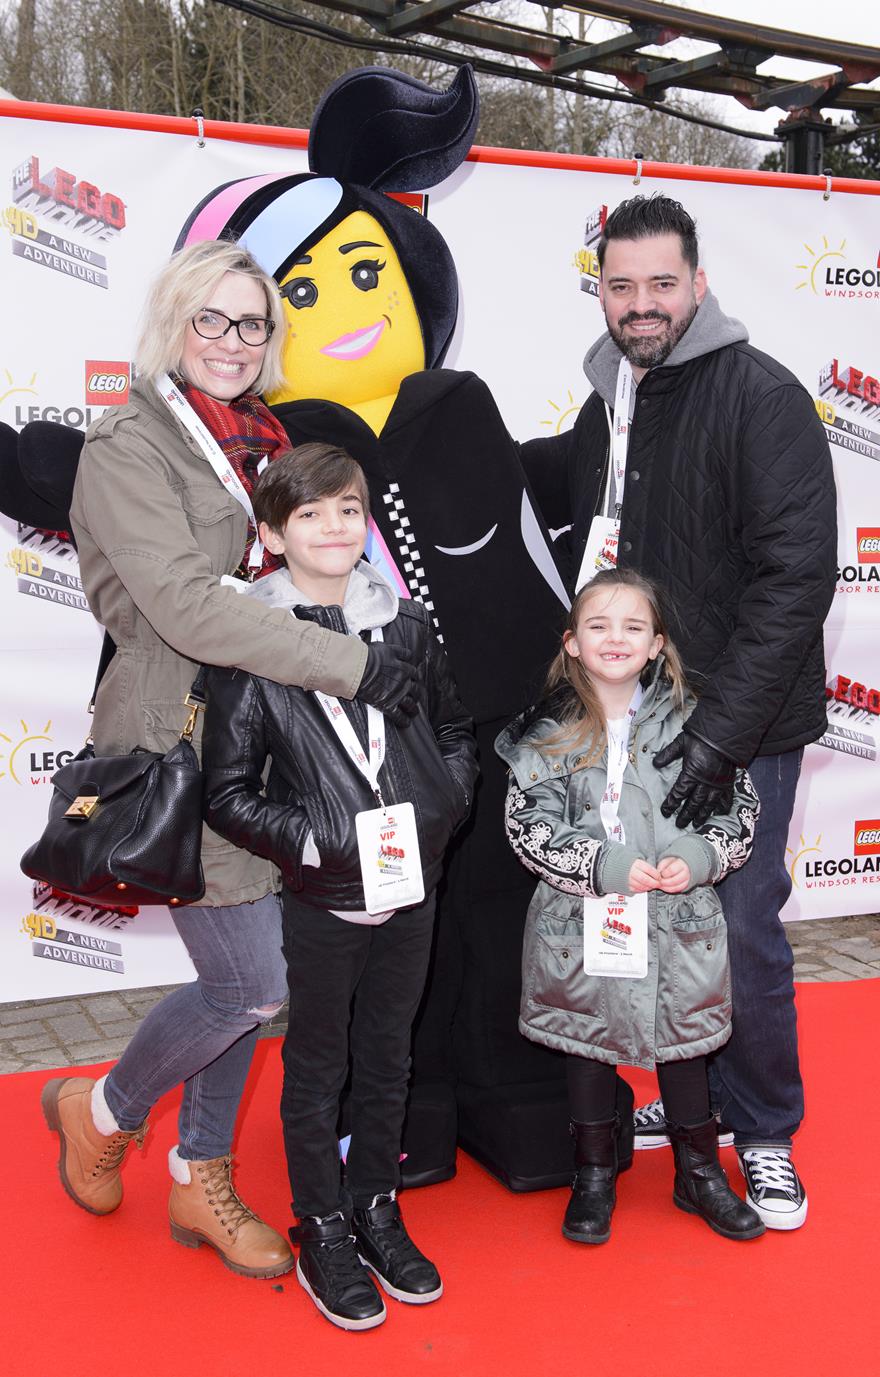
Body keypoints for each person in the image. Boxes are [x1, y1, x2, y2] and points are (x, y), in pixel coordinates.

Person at [40, 241, 420, 1280]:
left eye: (252, 322)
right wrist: (352, 666)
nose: (232, 340)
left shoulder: (267, 440)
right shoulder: (128, 444)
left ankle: (196, 1173)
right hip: (181, 737)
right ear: (173, 321)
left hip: (272, 731)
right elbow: (187, 607)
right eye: (210, 318)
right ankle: (104, 1109)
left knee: (247, 980)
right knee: (252, 983)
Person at [521, 194, 837, 1230]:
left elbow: (793, 582)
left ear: (699, 285)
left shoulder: (761, 396)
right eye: (621, 286)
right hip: (629, 718)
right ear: (600, 293)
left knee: (739, 924)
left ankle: (764, 1129)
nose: (641, 303)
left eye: (662, 283)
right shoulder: (609, 399)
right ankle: (691, 1099)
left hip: (739, 725)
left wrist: (717, 737)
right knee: (652, 916)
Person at [200, 443, 478, 1330]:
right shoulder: (251, 643)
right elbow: (226, 791)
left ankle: (375, 1205)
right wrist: (314, 842)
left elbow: (456, 729)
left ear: (367, 522)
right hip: (324, 896)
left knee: (390, 1054)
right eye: (310, 513)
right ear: (274, 533)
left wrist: (442, 805)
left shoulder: (407, 625)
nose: (333, 527)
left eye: (348, 509)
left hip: (413, 883)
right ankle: (321, 1221)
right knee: (319, 1064)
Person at [496, 569, 764, 1244]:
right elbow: (528, 825)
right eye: (599, 625)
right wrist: (602, 866)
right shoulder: (546, 730)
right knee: (586, 1039)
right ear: (572, 642)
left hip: (679, 920)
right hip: (582, 917)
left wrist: (700, 856)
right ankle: (593, 1172)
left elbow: (739, 811)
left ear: (656, 643)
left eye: (633, 626)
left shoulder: (700, 722)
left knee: (685, 1040)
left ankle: (698, 1172)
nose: (615, 638)